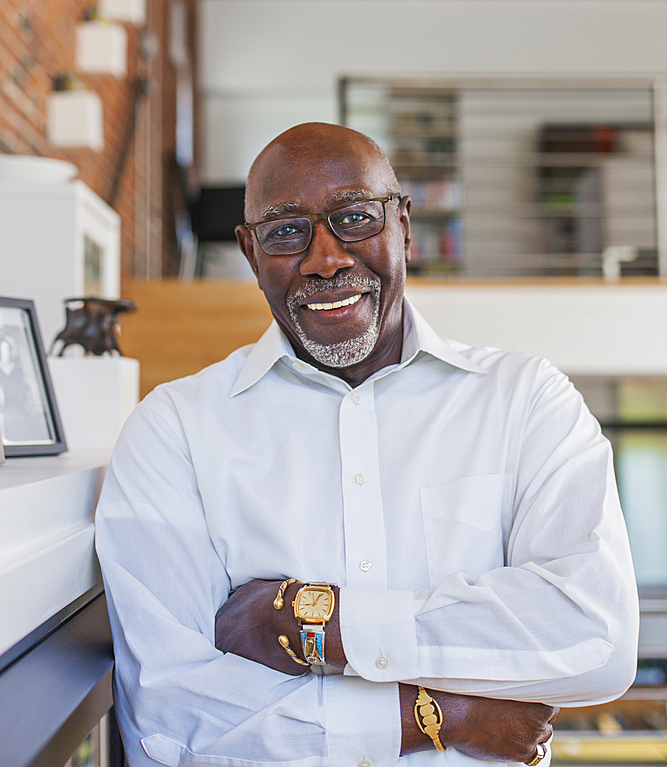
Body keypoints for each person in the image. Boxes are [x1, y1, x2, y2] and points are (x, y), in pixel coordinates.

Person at [95, 122, 639, 767]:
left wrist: (316, 625)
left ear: (404, 225)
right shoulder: (173, 431)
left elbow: (592, 637)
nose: (326, 258)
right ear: (249, 251)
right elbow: (171, 717)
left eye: (354, 218)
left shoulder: (525, 401)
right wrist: (441, 716)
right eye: (286, 231)